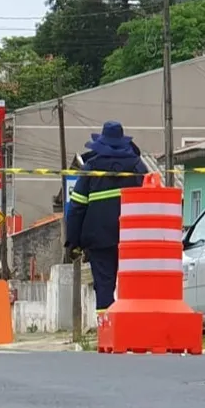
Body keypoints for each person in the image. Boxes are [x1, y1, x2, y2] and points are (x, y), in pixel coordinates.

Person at [65, 121, 148, 313]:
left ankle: (108, 336)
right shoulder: (138, 168)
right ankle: (131, 333)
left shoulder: (90, 169)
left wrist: (73, 243)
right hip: (132, 240)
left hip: (99, 241)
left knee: (104, 287)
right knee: (133, 287)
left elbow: (77, 208)